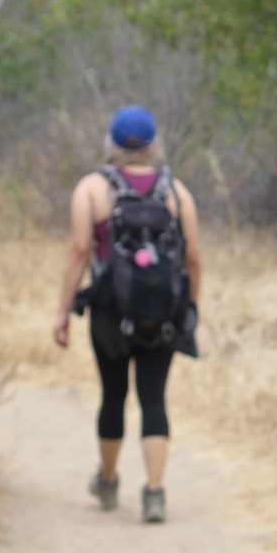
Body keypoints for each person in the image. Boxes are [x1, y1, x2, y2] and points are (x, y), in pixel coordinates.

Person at [52, 105, 202, 523]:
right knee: (154, 396)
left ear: (112, 143)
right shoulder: (176, 191)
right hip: (164, 313)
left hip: (109, 314)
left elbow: (80, 250)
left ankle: (108, 479)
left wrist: (63, 311)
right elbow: (193, 257)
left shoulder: (92, 189)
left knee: (113, 395)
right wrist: (191, 307)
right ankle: (154, 492)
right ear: (153, 144)